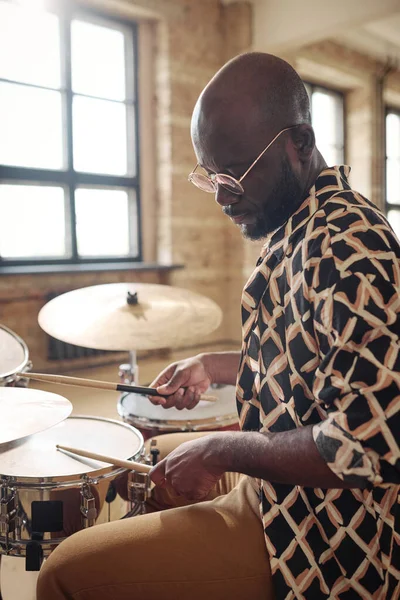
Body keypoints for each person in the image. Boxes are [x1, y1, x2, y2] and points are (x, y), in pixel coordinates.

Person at [37, 52, 400, 599]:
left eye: (234, 175)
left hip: (319, 542)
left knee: (64, 571)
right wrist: (217, 366)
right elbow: (315, 356)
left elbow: (367, 446)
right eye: (212, 177)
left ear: (298, 143)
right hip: (279, 495)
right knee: (150, 465)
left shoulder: (353, 250)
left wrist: (221, 450)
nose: (223, 198)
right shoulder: (301, 223)